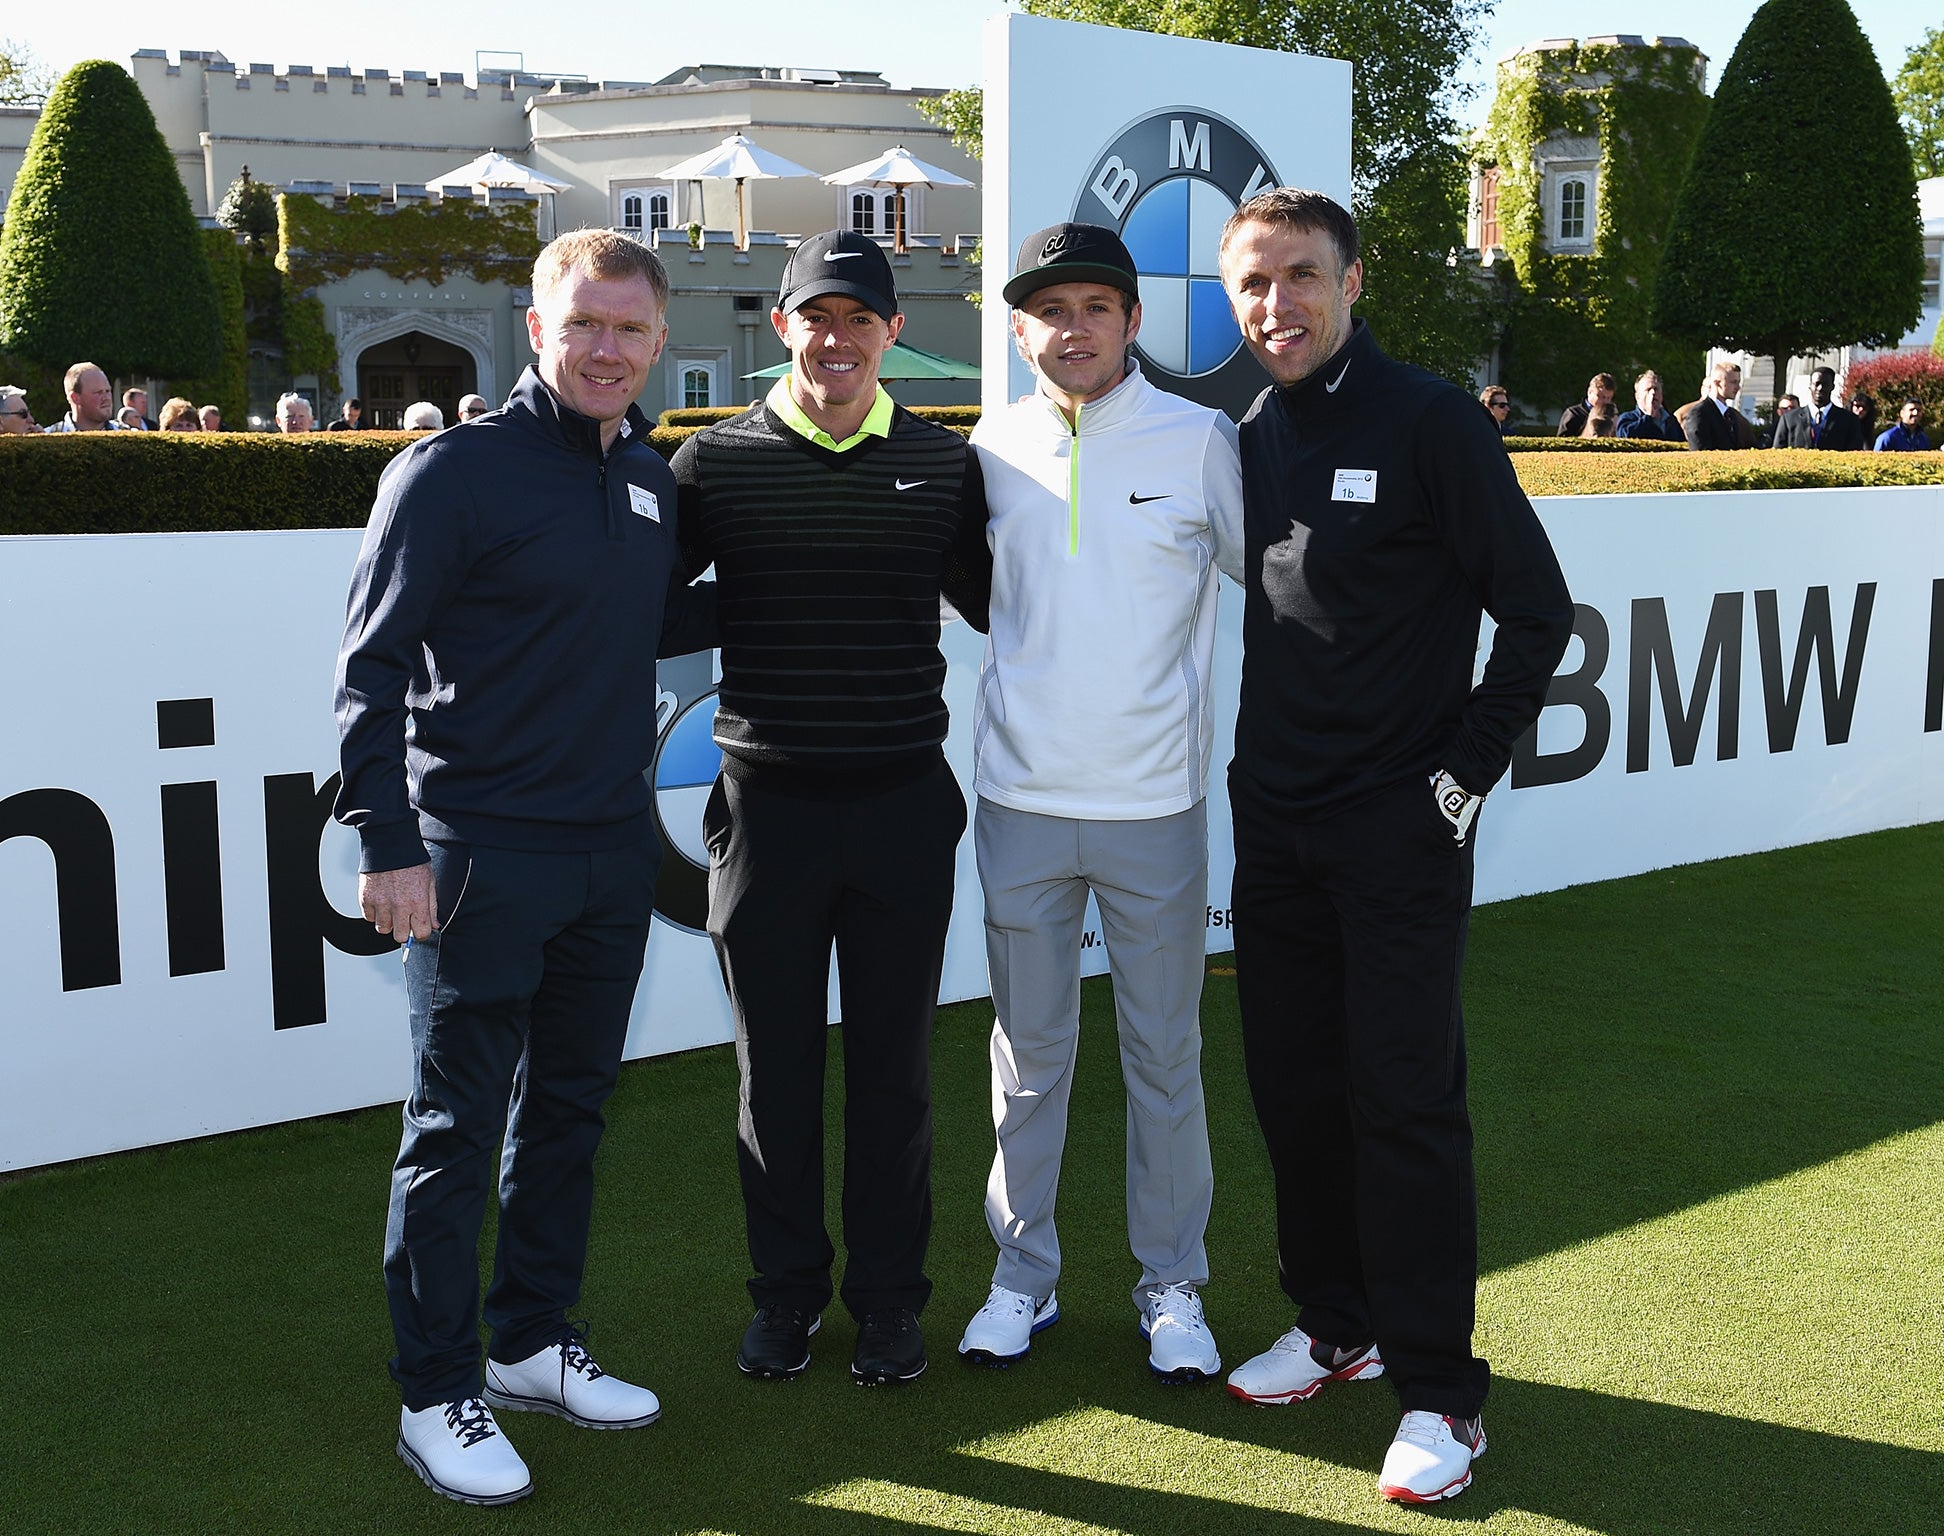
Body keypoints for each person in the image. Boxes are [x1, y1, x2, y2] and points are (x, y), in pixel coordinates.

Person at [334, 228, 717, 1508]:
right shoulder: (451, 472)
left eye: (630, 330)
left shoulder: (653, 481)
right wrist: (388, 849)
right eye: (584, 326)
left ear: (659, 342)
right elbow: (367, 674)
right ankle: (434, 1389)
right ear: (537, 329)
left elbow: (657, 621)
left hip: (609, 852)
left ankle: (528, 1345)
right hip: (478, 853)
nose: (606, 350)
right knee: (453, 1127)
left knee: (568, 1111)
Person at [1215, 188, 1573, 1506]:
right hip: (1276, 821)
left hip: (1398, 829)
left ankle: (1441, 1394)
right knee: (1293, 1088)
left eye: (1301, 277)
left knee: (1405, 1104)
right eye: (1253, 285)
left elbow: (1535, 613)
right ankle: (1333, 1323)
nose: (1276, 306)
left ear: (1353, 282)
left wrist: (1460, 777)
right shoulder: (1250, 429)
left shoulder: (1429, 420)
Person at [671, 228, 991, 1390]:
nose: (837, 337)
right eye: (818, 316)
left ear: (892, 333)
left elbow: (1009, 605)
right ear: (782, 329)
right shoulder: (713, 463)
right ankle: (787, 1298)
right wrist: (747, 608)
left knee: (896, 1074)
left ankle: (890, 1305)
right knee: (776, 1073)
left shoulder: (947, 467)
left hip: (905, 803)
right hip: (767, 811)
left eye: (860, 318)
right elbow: (643, 610)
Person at [955, 222, 1243, 1382]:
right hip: (1018, 799)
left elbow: (1284, 584)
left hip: (1152, 805)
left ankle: (1170, 1283)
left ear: (1130, 321)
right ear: (1019, 328)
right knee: (1026, 1057)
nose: (1068, 329)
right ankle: (1021, 1279)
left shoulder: (1199, 439)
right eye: (1046, 311)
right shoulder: (990, 442)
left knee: (1162, 1055)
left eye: (1092, 308)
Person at [1770, 368, 1863, 450]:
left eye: (1825, 384)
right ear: (1810, 386)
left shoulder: (1848, 420)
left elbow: (1854, 452)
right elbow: (1778, 453)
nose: (1820, 388)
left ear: (1833, 387)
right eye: (1817, 384)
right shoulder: (1789, 419)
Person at [1683, 360, 1755, 450]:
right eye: (1733, 382)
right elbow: (1700, 453)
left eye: (1738, 382)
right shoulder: (1699, 414)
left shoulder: (1734, 416)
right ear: (1717, 383)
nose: (1738, 387)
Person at [1613, 371, 1685, 442]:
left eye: (1656, 389)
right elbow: (1626, 439)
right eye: (1648, 390)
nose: (1653, 393)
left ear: (1661, 395)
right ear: (1637, 396)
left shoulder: (1671, 420)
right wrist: (1648, 417)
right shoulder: (1628, 418)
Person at [45, 363, 118, 432]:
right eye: (98, 392)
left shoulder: (127, 435)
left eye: (108, 391)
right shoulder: (49, 439)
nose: (106, 398)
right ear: (75, 398)